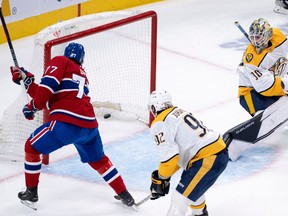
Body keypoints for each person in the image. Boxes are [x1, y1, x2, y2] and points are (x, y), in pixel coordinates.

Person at [10, 42, 135, 210]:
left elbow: (47, 90)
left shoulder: (60, 61)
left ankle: (31, 193)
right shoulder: (81, 75)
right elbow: (51, 98)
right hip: (90, 128)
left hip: (66, 124)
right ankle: (124, 194)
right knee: (99, 160)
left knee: (31, 147)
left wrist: (32, 106)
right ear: (82, 60)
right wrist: (27, 80)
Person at [147, 90, 229, 216]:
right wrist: (163, 177)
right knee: (191, 191)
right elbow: (177, 158)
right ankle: (200, 214)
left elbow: (170, 159)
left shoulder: (160, 122)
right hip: (213, 153)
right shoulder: (179, 112)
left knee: (179, 199)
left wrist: (160, 178)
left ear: (153, 107)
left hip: (207, 158)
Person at [225, 18, 288, 161]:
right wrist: (285, 85)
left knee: (282, 111)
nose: (254, 41)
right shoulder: (252, 58)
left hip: (275, 84)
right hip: (252, 93)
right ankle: (232, 144)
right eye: (252, 37)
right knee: (266, 122)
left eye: (258, 36)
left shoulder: (277, 36)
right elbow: (265, 87)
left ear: (267, 34)